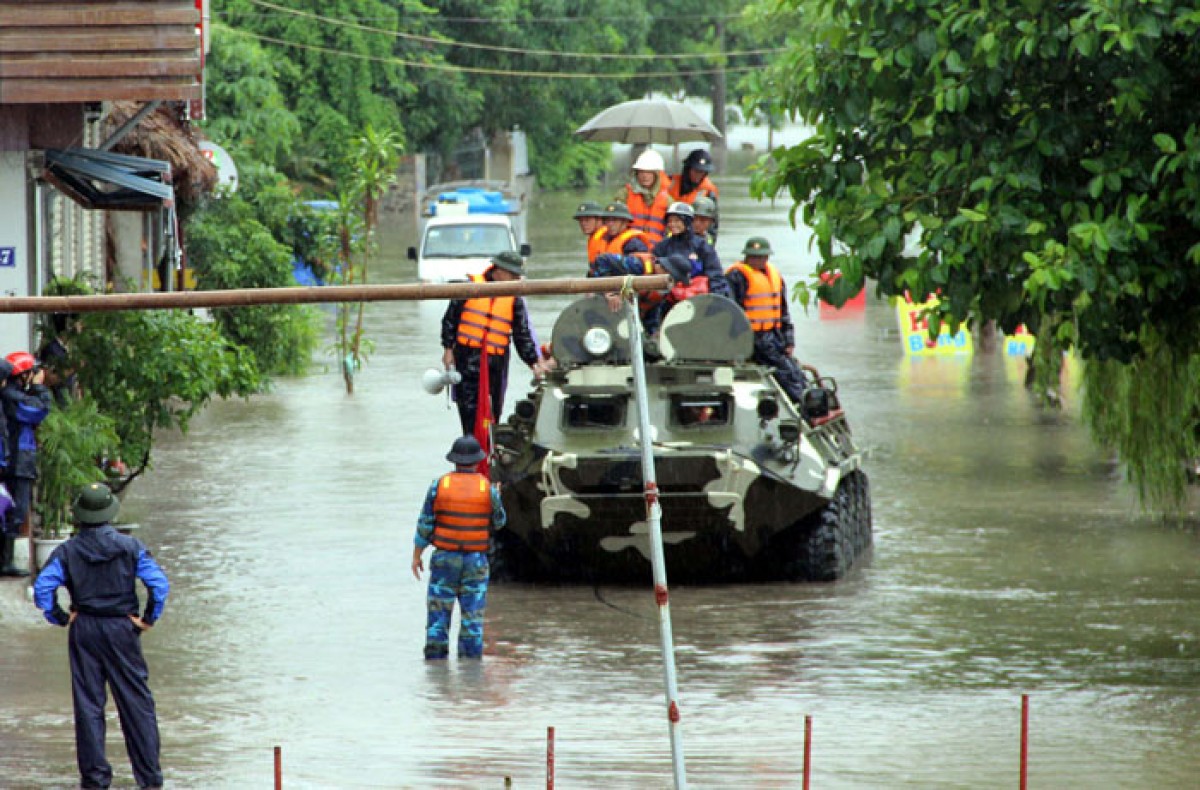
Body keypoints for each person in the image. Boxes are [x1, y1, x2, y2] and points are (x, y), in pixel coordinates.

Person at [33, 481, 169, 790]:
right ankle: (149, 780)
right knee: (136, 705)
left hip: (85, 630)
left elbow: (43, 589)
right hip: (122, 628)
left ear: (79, 515)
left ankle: (94, 781)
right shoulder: (131, 548)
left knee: (89, 706)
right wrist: (147, 619)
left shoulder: (67, 551)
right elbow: (159, 586)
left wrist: (61, 617)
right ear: (110, 513)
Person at [411, 435, 505, 660]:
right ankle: (471, 676)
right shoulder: (487, 489)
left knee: (438, 618)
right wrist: (498, 497)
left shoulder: (439, 485)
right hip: (476, 561)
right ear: (476, 460)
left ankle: (435, 672)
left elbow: (425, 524)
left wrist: (417, 556)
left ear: (454, 460)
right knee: (472, 620)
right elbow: (500, 522)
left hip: (444, 558)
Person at [440, 252, 548, 435]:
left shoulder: (515, 300)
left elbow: (522, 335)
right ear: (499, 271)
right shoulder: (468, 288)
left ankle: (488, 447)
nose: (516, 279)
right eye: (513, 275)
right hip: (467, 358)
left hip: (495, 362)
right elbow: (450, 320)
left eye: (517, 276)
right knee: (468, 407)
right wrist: (448, 349)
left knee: (492, 410)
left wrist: (534, 363)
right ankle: (470, 446)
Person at [725, 237, 808, 404]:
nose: (758, 261)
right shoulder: (737, 276)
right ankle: (802, 405)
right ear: (746, 257)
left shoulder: (775, 276)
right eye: (754, 257)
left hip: (773, 336)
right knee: (786, 374)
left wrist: (788, 340)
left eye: (762, 257)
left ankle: (808, 401)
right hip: (753, 339)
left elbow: (783, 312)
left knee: (796, 373)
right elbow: (732, 313)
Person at [2, 351, 51, 577]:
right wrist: (40, 388)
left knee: (14, 509)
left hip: (16, 459)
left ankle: (6, 559)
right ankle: (5, 561)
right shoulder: (13, 398)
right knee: (16, 510)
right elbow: (39, 410)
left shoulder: (13, 394)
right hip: (17, 462)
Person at [651, 201, 731, 302]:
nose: (672, 224)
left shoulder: (702, 246)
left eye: (677, 221)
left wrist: (717, 299)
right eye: (670, 221)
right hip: (668, 299)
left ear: (687, 221)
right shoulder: (662, 246)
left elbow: (715, 275)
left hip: (696, 298)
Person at [619, 149, 673, 244]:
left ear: (656, 174)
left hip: (657, 250)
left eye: (649, 172)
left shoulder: (668, 200)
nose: (645, 176)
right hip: (629, 248)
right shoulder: (624, 194)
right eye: (641, 172)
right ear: (636, 174)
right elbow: (614, 223)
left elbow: (673, 229)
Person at [591, 201, 652, 267]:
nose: (610, 224)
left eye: (614, 220)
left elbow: (641, 268)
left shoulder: (634, 243)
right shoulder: (604, 239)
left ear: (625, 222)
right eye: (607, 220)